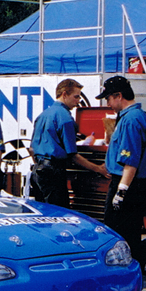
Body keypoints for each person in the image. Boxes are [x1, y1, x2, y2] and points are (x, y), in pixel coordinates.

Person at [96, 76, 146, 261]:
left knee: (119, 232)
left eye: (109, 99)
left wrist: (121, 191)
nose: (108, 103)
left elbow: (131, 161)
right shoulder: (139, 117)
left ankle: (124, 271)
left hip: (128, 184)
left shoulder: (130, 120)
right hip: (137, 184)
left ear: (118, 95)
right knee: (131, 232)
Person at [29, 78, 108, 207]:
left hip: (37, 172)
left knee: (43, 214)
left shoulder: (43, 115)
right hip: (53, 172)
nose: (78, 102)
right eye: (76, 97)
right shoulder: (65, 118)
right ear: (64, 94)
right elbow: (73, 155)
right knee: (59, 213)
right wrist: (98, 169)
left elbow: (32, 149)